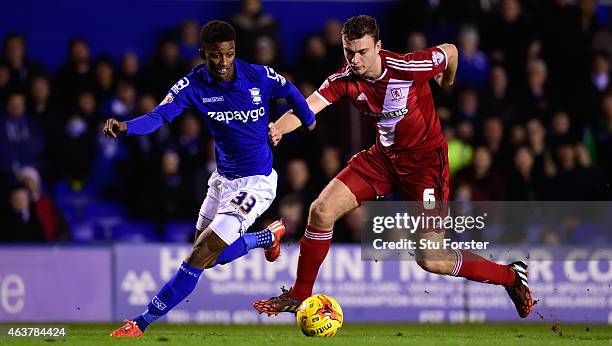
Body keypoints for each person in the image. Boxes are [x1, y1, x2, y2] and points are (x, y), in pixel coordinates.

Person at [254, 15, 533, 319]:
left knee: (431, 258)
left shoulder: (409, 67)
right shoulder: (345, 79)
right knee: (321, 210)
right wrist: (279, 128)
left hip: (425, 167)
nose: (355, 60)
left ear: (378, 46)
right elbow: (308, 107)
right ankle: (299, 295)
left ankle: (511, 276)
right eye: (349, 52)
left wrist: (447, 82)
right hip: (382, 159)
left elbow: (451, 50)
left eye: (362, 52)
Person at [104, 20, 315, 337]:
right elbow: (159, 116)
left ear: (235, 52)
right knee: (208, 258)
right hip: (222, 181)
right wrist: (126, 127)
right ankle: (267, 237)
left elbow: (289, 90)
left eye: (229, 54)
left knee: (199, 256)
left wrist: (308, 120)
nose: (223, 62)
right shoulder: (193, 85)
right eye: (215, 55)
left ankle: (140, 323)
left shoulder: (259, 76)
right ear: (204, 54)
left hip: (256, 183)